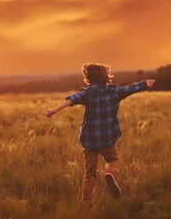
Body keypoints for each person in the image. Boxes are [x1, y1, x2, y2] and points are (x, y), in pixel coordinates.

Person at [44, 63, 155, 203]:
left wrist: (54, 109)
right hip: (107, 140)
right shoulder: (114, 91)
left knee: (89, 175)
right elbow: (131, 88)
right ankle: (110, 173)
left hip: (90, 141)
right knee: (113, 161)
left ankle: (86, 204)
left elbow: (72, 99)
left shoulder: (88, 92)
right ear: (105, 76)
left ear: (88, 77)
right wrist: (146, 83)